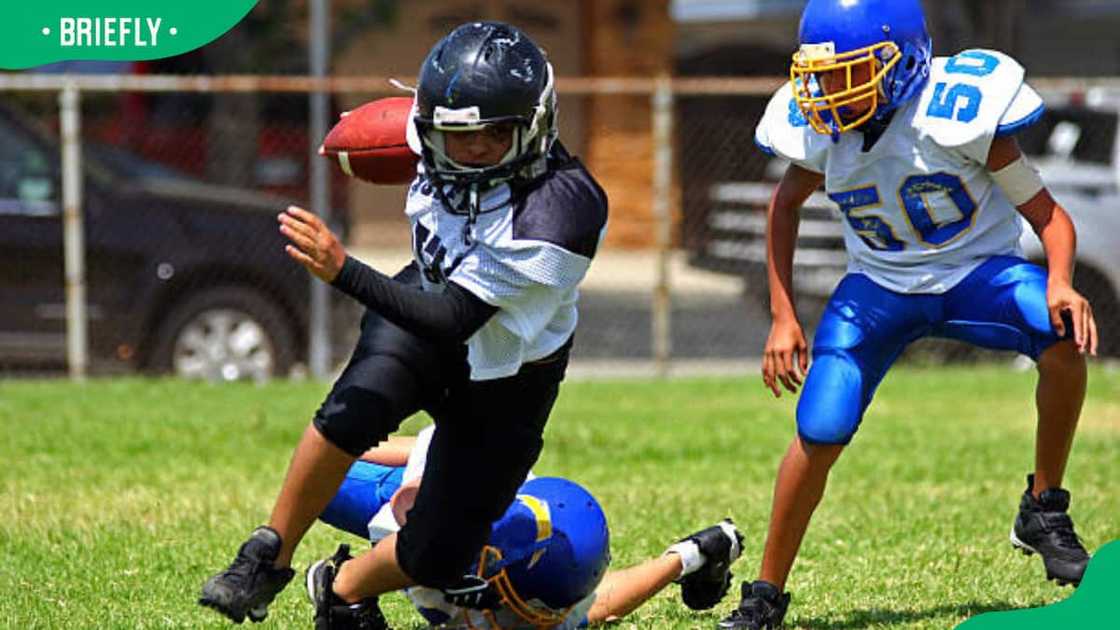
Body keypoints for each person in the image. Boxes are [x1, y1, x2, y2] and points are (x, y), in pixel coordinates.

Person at [199, 21, 609, 625]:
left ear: (535, 126)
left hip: (507, 365)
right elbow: (401, 137)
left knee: (440, 554)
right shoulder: (430, 133)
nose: (470, 150)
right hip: (427, 296)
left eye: (494, 135)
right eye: (453, 135)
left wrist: (345, 272)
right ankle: (266, 555)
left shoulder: (562, 210)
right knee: (353, 407)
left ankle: (340, 589)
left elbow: (455, 319)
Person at [718, 1, 1098, 628]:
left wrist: (1060, 281)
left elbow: (1050, 217)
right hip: (878, 288)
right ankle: (764, 595)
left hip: (979, 275)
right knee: (821, 426)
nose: (829, 90)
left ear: (903, 62)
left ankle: (1043, 505)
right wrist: (783, 316)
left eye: (849, 72)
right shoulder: (822, 128)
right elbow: (783, 207)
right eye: (821, 75)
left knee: (1061, 337)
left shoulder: (957, 114)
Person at [307, 425, 745, 629]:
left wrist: (689, 555)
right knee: (318, 479)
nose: (541, 620)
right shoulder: (451, 522)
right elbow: (436, 441)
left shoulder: (552, 586)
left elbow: (599, 603)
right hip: (415, 496)